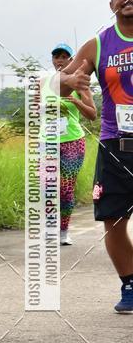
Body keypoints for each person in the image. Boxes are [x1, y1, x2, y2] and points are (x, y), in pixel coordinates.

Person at [60, 0, 133, 312]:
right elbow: (62, 85)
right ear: (112, 4)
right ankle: (130, 285)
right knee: (113, 220)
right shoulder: (99, 44)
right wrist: (70, 80)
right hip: (116, 146)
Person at [49, 43, 96, 245]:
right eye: (56, 57)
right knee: (46, 187)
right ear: (52, 60)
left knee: (66, 189)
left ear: (71, 60)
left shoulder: (79, 85)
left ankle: (63, 231)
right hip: (47, 142)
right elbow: (32, 111)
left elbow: (93, 114)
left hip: (72, 142)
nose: (60, 60)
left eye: (64, 57)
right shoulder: (44, 83)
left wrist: (75, 101)